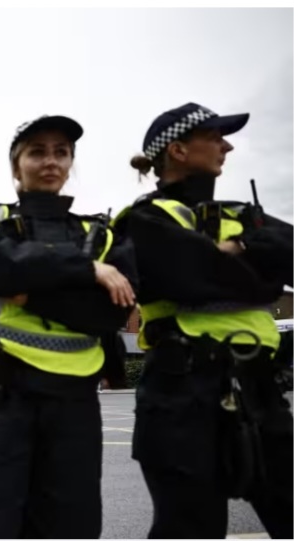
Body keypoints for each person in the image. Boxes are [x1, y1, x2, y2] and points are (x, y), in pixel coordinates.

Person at [0, 115, 138, 539]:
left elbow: (112, 312)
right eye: (37, 152)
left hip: (75, 406)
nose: (50, 161)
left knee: (70, 527)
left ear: (70, 164)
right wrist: (87, 272)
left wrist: (29, 285)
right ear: (16, 166)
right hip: (2, 398)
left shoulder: (100, 234)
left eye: (61, 152)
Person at [112, 102, 293, 539]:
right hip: (180, 395)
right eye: (215, 137)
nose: (227, 146)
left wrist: (242, 249)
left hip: (259, 390)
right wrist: (258, 267)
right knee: (189, 528)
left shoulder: (241, 216)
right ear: (177, 149)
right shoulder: (142, 219)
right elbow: (188, 277)